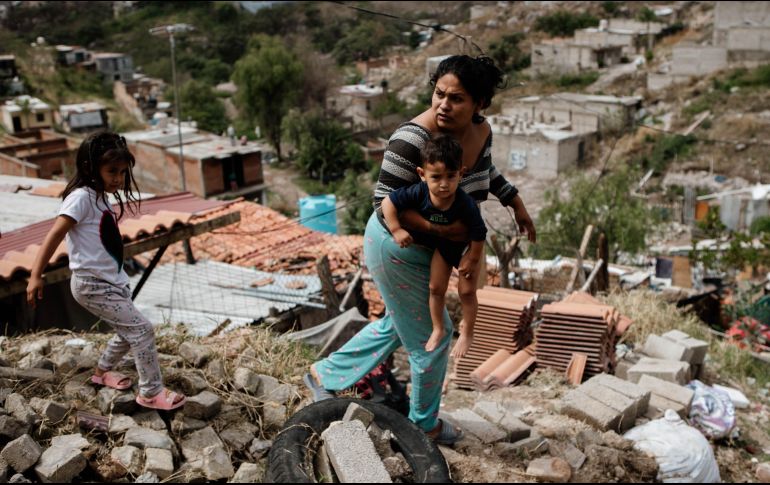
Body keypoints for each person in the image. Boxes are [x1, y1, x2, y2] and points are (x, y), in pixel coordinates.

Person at [303, 55, 536, 444]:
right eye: (439, 94)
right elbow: (384, 202)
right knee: (433, 338)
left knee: (400, 325)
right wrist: (440, 232)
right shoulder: (411, 139)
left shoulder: (482, 132)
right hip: (397, 246)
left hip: (435, 249)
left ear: (479, 104)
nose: (443, 104)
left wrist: (516, 204)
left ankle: (323, 375)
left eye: (457, 98)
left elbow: (485, 173)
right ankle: (422, 426)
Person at [26, 131, 186, 411]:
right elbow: (54, 234)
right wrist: (36, 275)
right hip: (91, 284)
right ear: (90, 167)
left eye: (123, 172)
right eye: (112, 171)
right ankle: (151, 392)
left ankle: (102, 373)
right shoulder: (81, 198)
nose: (118, 178)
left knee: (129, 330)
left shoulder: (99, 197)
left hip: (108, 282)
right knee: (142, 330)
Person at [381, 134, 486, 356]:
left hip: (468, 248)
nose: (444, 184)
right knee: (435, 288)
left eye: (451, 176)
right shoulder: (418, 193)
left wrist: (472, 258)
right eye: (436, 177)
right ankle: (437, 328)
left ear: (461, 173)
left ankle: (468, 332)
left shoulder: (464, 203)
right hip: (446, 247)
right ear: (422, 174)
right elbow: (387, 202)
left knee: (466, 291)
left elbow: (479, 233)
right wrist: (396, 229)